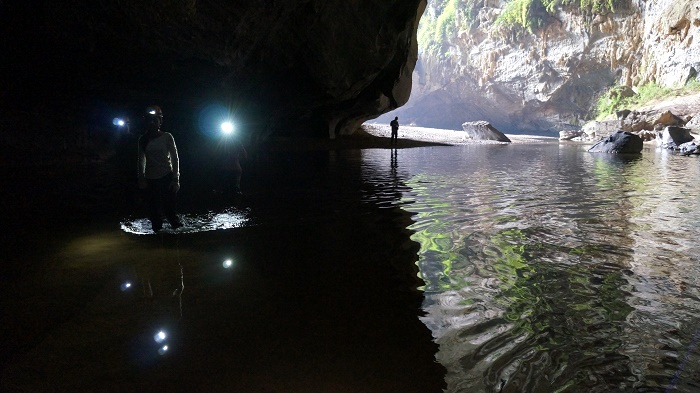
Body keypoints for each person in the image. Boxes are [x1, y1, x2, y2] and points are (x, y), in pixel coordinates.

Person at [137, 105, 183, 232]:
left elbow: (175, 158)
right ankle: (157, 241)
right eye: (150, 120)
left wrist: (175, 179)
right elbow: (141, 160)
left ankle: (178, 239)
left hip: (166, 177)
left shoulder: (167, 137)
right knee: (154, 214)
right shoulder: (143, 139)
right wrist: (141, 179)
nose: (152, 123)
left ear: (160, 122)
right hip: (150, 179)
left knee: (171, 212)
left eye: (155, 120)